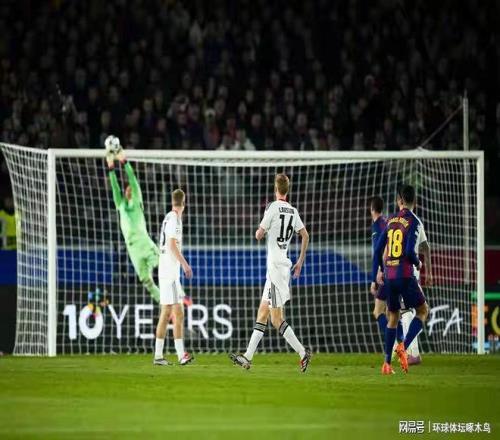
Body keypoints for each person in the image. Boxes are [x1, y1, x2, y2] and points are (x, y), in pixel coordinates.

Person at [230, 174, 311, 372]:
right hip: (280, 267)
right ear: (287, 190)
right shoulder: (293, 211)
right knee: (262, 312)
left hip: (275, 268)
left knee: (276, 319)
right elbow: (305, 235)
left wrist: (264, 223)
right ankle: (247, 357)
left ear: (276, 189)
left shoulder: (273, 207)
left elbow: (258, 235)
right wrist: (300, 262)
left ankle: (303, 352)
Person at [372, 185, 431, 374]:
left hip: (389, 275)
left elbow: (377, 251)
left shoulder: (390, 220)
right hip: (405, 275)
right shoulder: (414, 221)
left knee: (392, 317)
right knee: (422, 311)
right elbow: (410, 252)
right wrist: (419, 264)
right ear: (415, 201)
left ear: (400, 200)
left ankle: (387, 364)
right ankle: (403, 346)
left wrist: (379, 271)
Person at [105, 140, 160, 303]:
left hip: (144, 242)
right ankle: (163, 302)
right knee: (146, 280)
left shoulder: (137, 200)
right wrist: (111, 166)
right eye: (127, 188)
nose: (128, 188)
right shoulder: (120, 204)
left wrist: (123, 160)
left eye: (130, 188)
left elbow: (132, 178)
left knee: (165, 267)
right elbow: (115, 187)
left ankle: (177, 295)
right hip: (132, 248)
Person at [153, 189, 194, 366]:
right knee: (177, 313)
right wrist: (185, 264)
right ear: (184, 203)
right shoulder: (175, 220)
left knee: (168, 312)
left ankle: (160, 356)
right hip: (170, 273)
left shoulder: (168, 217)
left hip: (166, 270)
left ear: (172, 202)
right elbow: (171, 244)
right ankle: (179, 355)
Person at [369, 196, 404, 350]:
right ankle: (402, 344)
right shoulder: (387, 222)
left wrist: (376, 276)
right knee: (392, 312)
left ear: (371, 209)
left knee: (378, 311)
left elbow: (379, 252)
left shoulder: (377, 226)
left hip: (386, 273)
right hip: (397, 270)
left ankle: (398, 344)